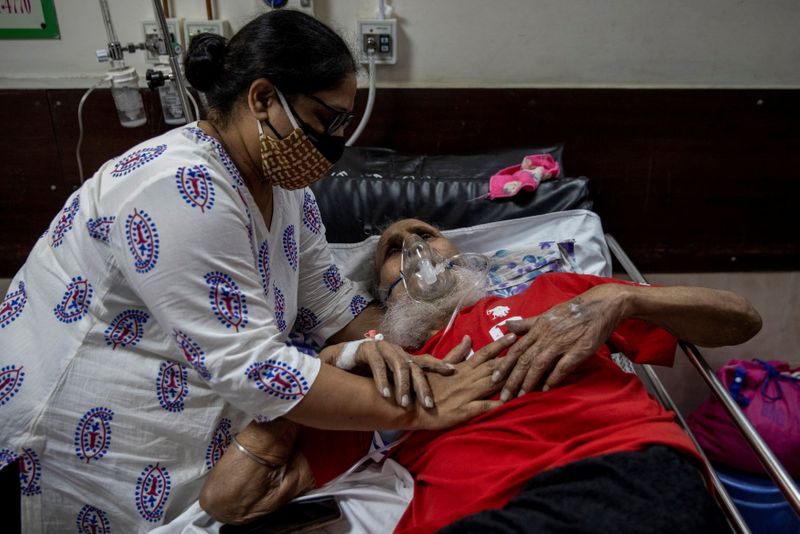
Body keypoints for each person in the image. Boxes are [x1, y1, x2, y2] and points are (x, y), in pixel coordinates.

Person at [0, 13, 511, 532]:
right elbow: (255, 369)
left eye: (343, 124)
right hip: (83, 422)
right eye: (325, 119)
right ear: (263, 98)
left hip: (197, 416)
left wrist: (433, 330)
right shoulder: (177, 190)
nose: (335, 142)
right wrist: (421, 408)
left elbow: (334, 308)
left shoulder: (287, 191)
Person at [200, 218, 762, 533]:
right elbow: (228, 501)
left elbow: (740, 320)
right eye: (393, 251)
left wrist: (616, 301)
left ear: (467, 259)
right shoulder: (375, 372)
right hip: (471, 519)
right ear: (384, 295)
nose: (413, 248)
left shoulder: (554, 295)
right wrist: (324, 367)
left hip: (616, 472)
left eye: (426, 234)